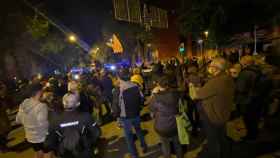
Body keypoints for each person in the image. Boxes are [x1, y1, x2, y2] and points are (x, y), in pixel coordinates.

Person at [190, 57, 235, 158]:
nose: (209, 68)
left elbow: (198, 95)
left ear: (216, 68)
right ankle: (225, 153)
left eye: (211, 66)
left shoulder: (216, 81)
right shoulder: (227, 78)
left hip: (212, 115)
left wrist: (193, 87)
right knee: (222, 136)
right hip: (223, 113)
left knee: (213, 139)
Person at [46, 92, 101, 158]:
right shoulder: (85, 116)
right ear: (78, 104)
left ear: (63, 103)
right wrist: (88, 143)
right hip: (84, 152)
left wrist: (59, 148)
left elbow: (49, 142)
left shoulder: (54, 121)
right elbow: (97, 133)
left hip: (66, 153)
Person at [112, 68, 147, 158]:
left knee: (129, 136)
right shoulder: (136, 86)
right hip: (136, 113)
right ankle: (144, 145)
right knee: (139, 130)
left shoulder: (118, 90)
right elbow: (142, 99)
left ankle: (134, 154)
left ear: (119, 78)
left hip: (125, 117)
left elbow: (115, 106)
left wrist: (116, 117)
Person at [235, 55, 269, 140]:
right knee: (254, 118)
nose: (240, 62)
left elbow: (240, 88)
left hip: (247, 100)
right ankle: (254, 133)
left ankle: (250, 136)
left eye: (241, 61)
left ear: (245, 62)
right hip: (257, 98)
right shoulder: (258, 70)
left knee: (248, 119)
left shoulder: (245, 72)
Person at [150, 76, 183, 158]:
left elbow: (151, 111)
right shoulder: (175, 94)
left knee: (165, 145)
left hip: (162, 127)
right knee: (177, 144)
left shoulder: (155, 98)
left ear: (158, 85)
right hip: (175, 125)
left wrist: (153, 94)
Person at [16, 83, 50, 158]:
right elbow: (43, 124)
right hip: (42, 137)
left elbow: (18, 120)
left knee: (38, 153)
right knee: (47, 154)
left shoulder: (23, 103)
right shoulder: (41, 106)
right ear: (39, 92)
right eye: (42, 90)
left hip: (30, 137)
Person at [0, 81, 11, 153]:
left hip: (2, 113)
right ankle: (3, 147)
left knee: (6, 129)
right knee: (2, 131)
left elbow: (4, 96)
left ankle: (3, 145)